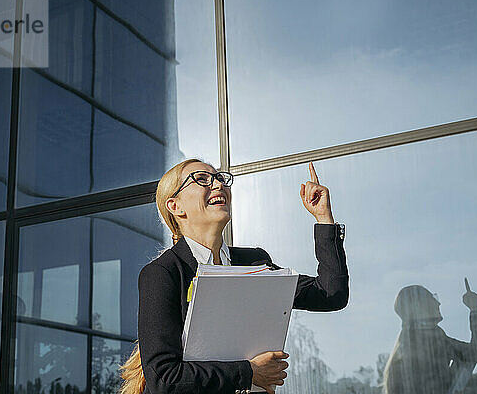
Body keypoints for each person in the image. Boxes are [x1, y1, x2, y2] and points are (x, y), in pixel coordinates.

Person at [120, 158, 349, 394]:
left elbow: (331, 294)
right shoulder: (163, 273)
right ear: (176, 206)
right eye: (201, 179)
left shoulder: (254, 262)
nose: (218, 184)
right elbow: (164, 379)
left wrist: (323, 218)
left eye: (220, 178)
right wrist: (249, 372)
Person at [383, 282, 477, 394]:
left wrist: (475, 310)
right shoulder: (432, 338)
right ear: (417, 306)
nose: (438, 303)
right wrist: (475, 310)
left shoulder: (414, 339)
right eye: (432, 298)